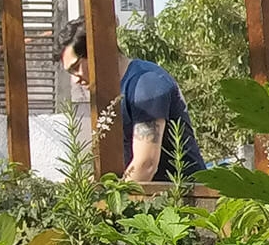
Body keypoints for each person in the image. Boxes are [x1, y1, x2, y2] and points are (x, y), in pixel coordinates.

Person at [59, 18, 206, 182]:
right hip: (155, 199)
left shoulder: (147, 83)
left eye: (76, 67)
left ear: (96, 52)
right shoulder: (113, 93)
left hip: (187, 199)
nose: (75, 80)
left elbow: (146, 165)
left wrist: (112, 204)